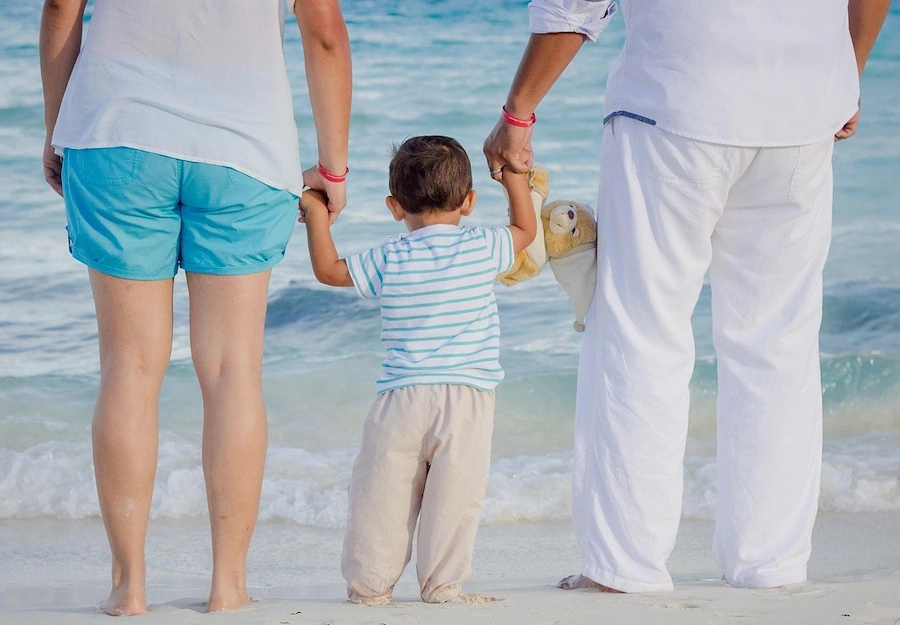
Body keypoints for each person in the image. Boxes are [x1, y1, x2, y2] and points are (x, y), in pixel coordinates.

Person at [483, 0, 890, 593]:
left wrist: (518, 111)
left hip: (676, 102)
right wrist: (845, 73)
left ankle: (625, 564)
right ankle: (770, 562)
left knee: (641, 332)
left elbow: (573, 7)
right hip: (802, 111)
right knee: (778, 343)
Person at [39, 0, 350, 615]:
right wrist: (333, 166)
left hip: (117, 136)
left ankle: (129, 587)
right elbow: (325, 32)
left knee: (128, 369)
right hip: (246, 148)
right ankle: (227, 585)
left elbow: (58, 9)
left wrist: (58, 127)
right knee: (233, 369)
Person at [302, 135, 536, 604]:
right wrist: (515, 179)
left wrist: (314, 211)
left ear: (394, 206)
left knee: (381, 492)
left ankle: (370, 586)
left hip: (401, 397)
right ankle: (442, 586)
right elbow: (525, 230)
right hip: (467, 396)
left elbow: (328, 270)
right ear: (468, 202)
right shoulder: (483, 247)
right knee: (456, 494)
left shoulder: (389, 255)